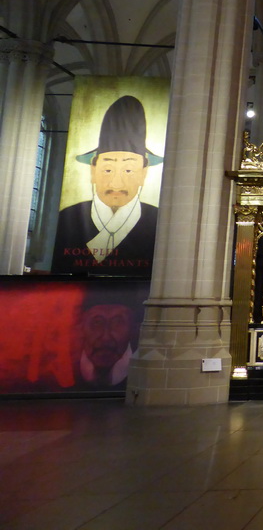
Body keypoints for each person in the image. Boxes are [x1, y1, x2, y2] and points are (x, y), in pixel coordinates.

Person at [52, 95, 162, 275]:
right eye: (108, 170)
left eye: (128, 170)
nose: (116, 183)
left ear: (144, 173)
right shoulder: (68, 218)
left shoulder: (159, 222)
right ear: (93, 171)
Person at [76, 293, 139, 388]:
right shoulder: (60, 376)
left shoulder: (144, 376)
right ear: (81, 327)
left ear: (133, 329)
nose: (106, 337)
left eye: (117, 323)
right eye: (97, 322)